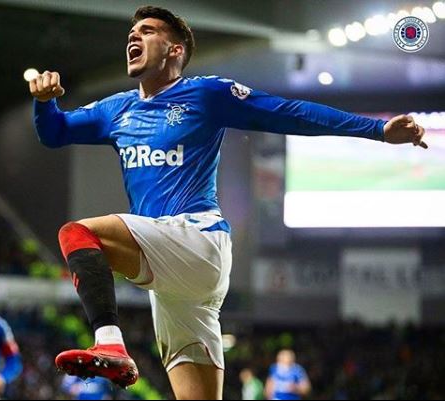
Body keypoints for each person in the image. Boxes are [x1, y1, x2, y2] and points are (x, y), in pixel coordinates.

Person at [29, 6, 427, 400]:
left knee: (77, 234)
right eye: (132, 32)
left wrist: (377, 129)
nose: (134, 35)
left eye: (148, 31)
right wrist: (44, 102)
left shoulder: (206, 94)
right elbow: (55, 132)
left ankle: (109, 341)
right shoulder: (116, 109)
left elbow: (289, 113)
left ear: (175, 50)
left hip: (196, 239)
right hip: (173, 279)